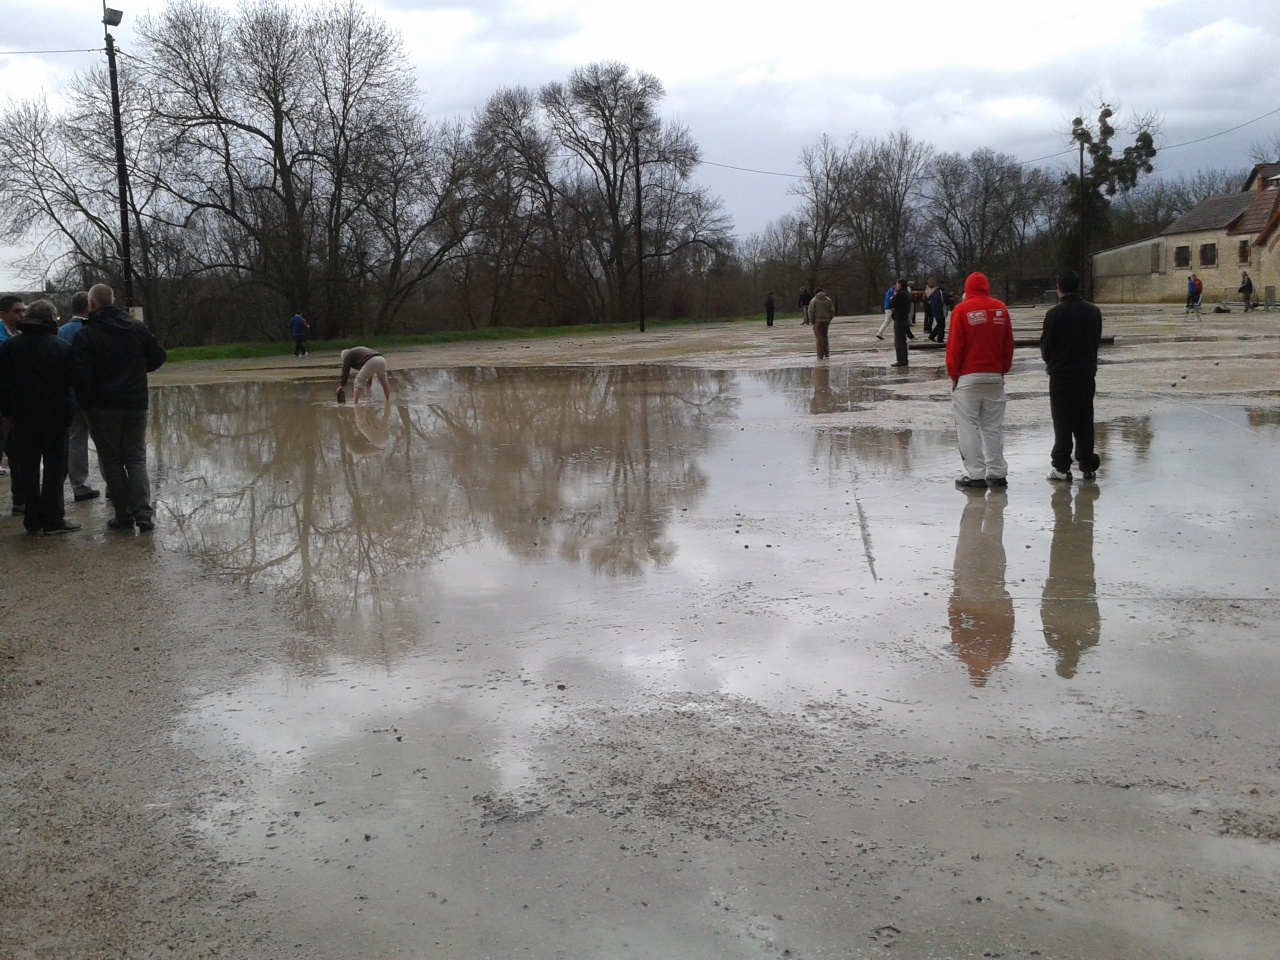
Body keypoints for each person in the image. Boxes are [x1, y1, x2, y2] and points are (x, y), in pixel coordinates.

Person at [69, 283, 168, 532]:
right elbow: (158, 356)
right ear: (112, 301)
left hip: (103, 405)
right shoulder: (136, 328)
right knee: (136, 457)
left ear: (91, 304)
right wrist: (138, 369)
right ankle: (143, 512)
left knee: (112, 460)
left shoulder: (86, 334)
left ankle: (123, 515)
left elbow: (81, 374)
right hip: (136, 402)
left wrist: (87, 402)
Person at [0, 299, 78, 534]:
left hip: (22, 417)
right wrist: (70, 412)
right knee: (55, 468)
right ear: (51, 319)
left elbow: (3, 385)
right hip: (55, 418)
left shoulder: (10, 347)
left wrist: (7, 413)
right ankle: (53, 519)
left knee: (27, 468)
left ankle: (32, 519)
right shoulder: (61, 347)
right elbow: (71, 384)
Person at [945, 271, 1015, 488]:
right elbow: (1008, 344)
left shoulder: (961, 310)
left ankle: (975, 474)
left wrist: (954, 374)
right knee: (993, 426)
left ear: (967, 290)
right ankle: (997, 472)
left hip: (968, 377)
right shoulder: (1000, 309)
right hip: (995, 376)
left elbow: (955, 347)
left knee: (968, 426)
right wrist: (1001, 370)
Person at [948, 484, 1013, 687]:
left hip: (994, 594)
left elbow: (1008, 626)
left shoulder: (998, 656)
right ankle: (976, 504)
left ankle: (994, 504)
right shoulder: (967, 656)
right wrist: (955, 596)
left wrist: (1006, 600)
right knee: (969, 540)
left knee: (993, 538)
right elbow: (957, 624)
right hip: (970, 593)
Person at [1041, 270, 1102, 483]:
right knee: (1084, 420)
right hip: (1086, 374)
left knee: (1062, 422)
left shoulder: (1054, 314)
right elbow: (1095, 340)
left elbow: (1046, 347)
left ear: (1059, 289)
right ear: (1078, 287)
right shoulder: (1093, 312)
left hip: (1062, 376)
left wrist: (1053, 363)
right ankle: (1087, 465)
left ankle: (1061, 466)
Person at [57, 291, 101, 503]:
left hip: (69, 395)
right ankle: (113, 483)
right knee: (103, 441)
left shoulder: (61, 332)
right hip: (93, 395)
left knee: (76, 442)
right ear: (89, 307)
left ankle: (80, 486)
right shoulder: (93, 330)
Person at [0, 295, 26, 512]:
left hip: (15, 404)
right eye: (16, 311)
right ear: (3, 314)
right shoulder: (4, 340)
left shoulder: (22, 336)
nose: (21, 315)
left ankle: (20, 499)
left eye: (23, 311)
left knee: (17, 453)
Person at [888, 279, 913, 367]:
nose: (896, 286)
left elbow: (891, 304)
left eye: (897, 284)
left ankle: (900, 360)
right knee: (903, 340)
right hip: (905, 318)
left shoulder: (900, 294)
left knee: (898, 341)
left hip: (899, 318)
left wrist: (893, 297)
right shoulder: (907, 293)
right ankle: (904, 359)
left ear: (901, 285)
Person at [808, 287, 835, 360]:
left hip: (817, 321)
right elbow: (832, 310)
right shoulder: (828, 299)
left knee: (819, 337)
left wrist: (812, 321)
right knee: (825, 336)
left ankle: (820, 354)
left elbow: (811, 312)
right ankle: (826, 352)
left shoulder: (813, 300)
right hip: (826, 320)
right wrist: (829, 319)